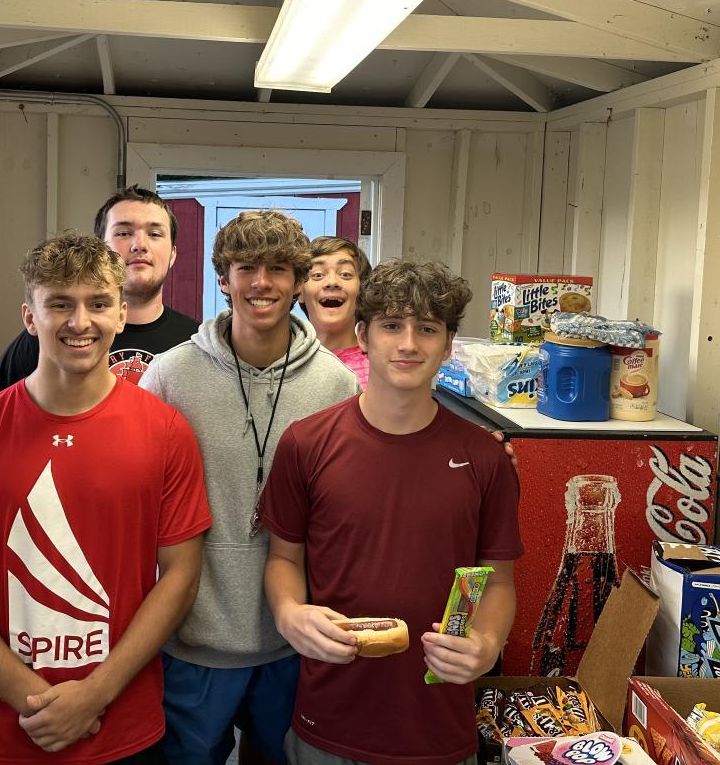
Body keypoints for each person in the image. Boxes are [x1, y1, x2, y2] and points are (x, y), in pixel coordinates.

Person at [0, 233, 213, 765]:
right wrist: (35, 701)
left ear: (121, 315)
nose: (80, 322)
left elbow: (181, 577)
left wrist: (95, 694)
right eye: (59, 304)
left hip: (121, 726)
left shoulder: (166, 432)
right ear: (30, 317)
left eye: (98, 303)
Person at [260, 259, 523, 765]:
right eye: (391, 326)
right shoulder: (306, 443)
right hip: (328, 719)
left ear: (447, 345)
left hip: (438, 725)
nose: (408, 344)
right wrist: (289, 612)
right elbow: (283, 559)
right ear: (363, 335)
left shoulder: (485, 457)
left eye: (427, 329)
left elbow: (497, 581)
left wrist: (488, 642)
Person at [138, 210, 360, 765]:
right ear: (223, 278)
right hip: (192, 639)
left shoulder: (337, 385)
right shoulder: (168, 376)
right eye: (246, 268)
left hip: (293, 640)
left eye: (278, 268)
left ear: (299, 281)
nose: (262, 282)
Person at [0, 185, 197, 400]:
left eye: (155, 234)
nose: (139, 244)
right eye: (123, 233)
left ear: (173, 254)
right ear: (100, 249)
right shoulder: (49, 336)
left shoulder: (195, 343)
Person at [297, 236, 371, 388]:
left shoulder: (381, 367)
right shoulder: (282, 362)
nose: (332, 282)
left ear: (362, 291)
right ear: (299, 291)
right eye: (318, 275)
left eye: (345, 274)